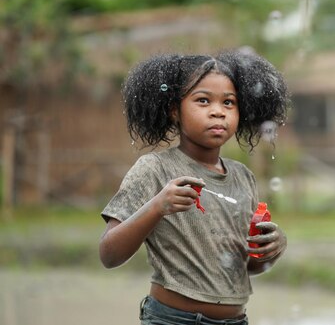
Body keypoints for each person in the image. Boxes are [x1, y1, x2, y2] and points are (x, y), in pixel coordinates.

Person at [99, 50, 289, 325]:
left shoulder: (243, 177)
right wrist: (157, 206)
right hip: (172, 320)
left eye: (229, 102)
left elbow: (242, 267)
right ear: (174, 111)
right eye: (203, 100)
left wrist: (270, 249)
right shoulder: (155, 170)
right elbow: (109, 255)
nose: (217, 111)